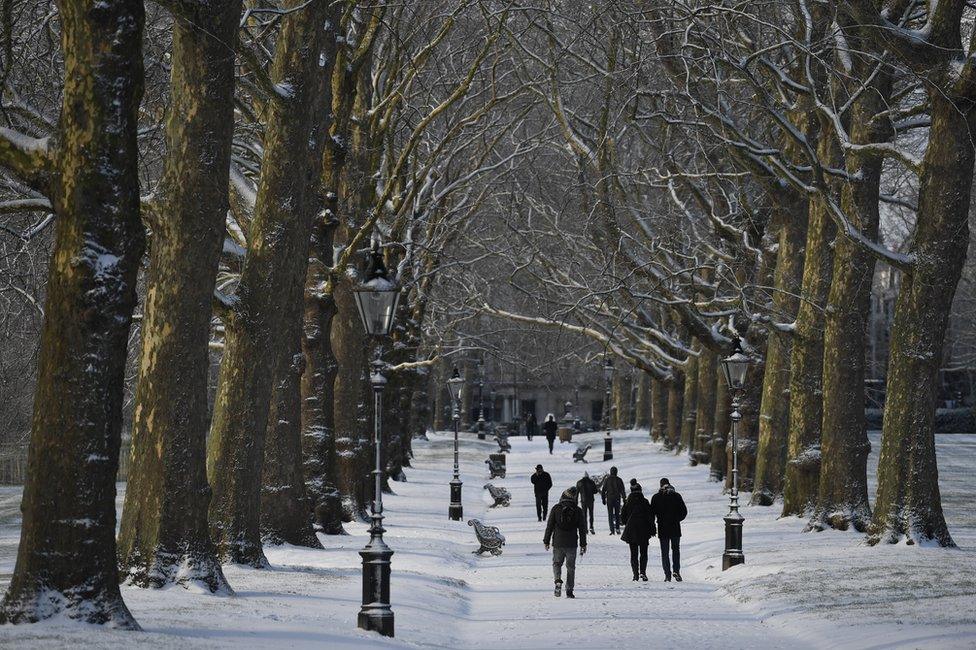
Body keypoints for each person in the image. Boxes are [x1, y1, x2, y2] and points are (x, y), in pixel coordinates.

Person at [543, 486, 587, 598]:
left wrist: (546, 540)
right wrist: (583, 544)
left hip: (558, 542)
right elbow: (582, 529)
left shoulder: (556, 509)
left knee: (557, 563)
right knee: (570, 567)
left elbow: (550, 526)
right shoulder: (578, 511)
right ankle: (569, 590)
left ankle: (558, 580)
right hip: (572, 543)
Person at [650, 477, 687, 582]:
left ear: (660, 485)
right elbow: (684, 511)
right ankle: (676, 571)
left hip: (663, 528)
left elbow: (652, 514)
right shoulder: (676, 496)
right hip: (675, 527)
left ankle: (667, 574)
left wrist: (655, 524)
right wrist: (677, 519)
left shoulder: (656, 497)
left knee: (665, 552)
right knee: (676, 550)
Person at [620, 481, 655, 581]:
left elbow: (622, 518)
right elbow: (650, 517)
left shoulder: (627, 502)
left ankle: (635, 574)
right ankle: (643, 572)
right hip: (644, 531)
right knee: (644, 553)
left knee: (633, 554)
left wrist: (628, 523)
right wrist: (652, 529)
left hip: (631, 531)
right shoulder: (645, 502)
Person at [600, 466, 625, 535]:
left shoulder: (607, 480)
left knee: (610, 515)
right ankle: (617, 528)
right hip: (617, 499)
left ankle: (612, 530)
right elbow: (622, 490)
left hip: (609, 500)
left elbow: (603, 490)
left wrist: (603, 499)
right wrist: (624, 499)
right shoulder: (619, 480)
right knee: (617, 514)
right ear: (616, 472)